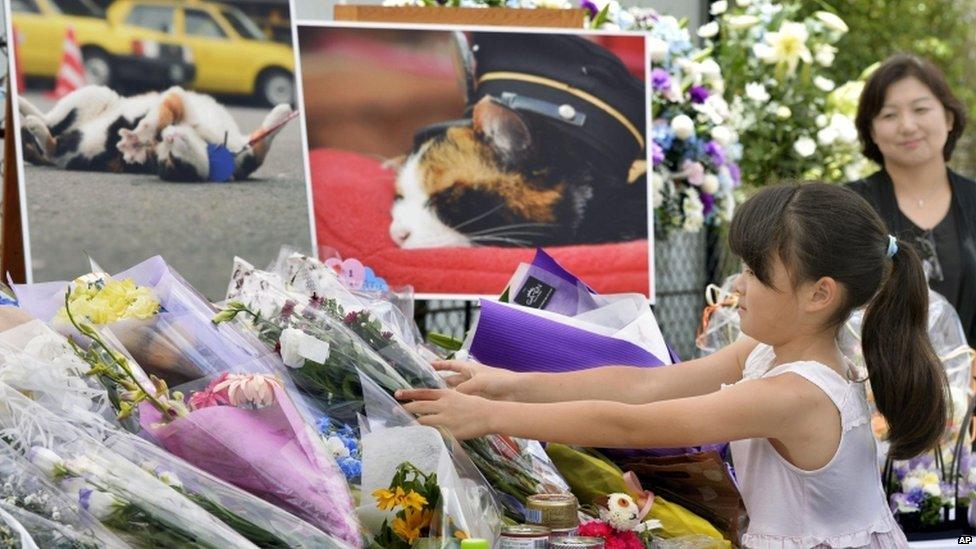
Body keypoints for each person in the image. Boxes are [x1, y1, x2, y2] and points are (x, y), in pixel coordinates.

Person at [399, 182, 947, 546]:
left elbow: (630, 422)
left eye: (756, 273)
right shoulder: (770, 353)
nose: (739, 285)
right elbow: (645, 385)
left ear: (818, 295)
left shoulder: (795, 393)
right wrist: (505, 384)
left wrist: (488, 416)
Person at [848, 54, 976, 347]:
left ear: (949, 118)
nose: (907, 126)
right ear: (872, 132)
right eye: (889, 115)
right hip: (875, 387)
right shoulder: (849, 207)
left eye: (920, 109)